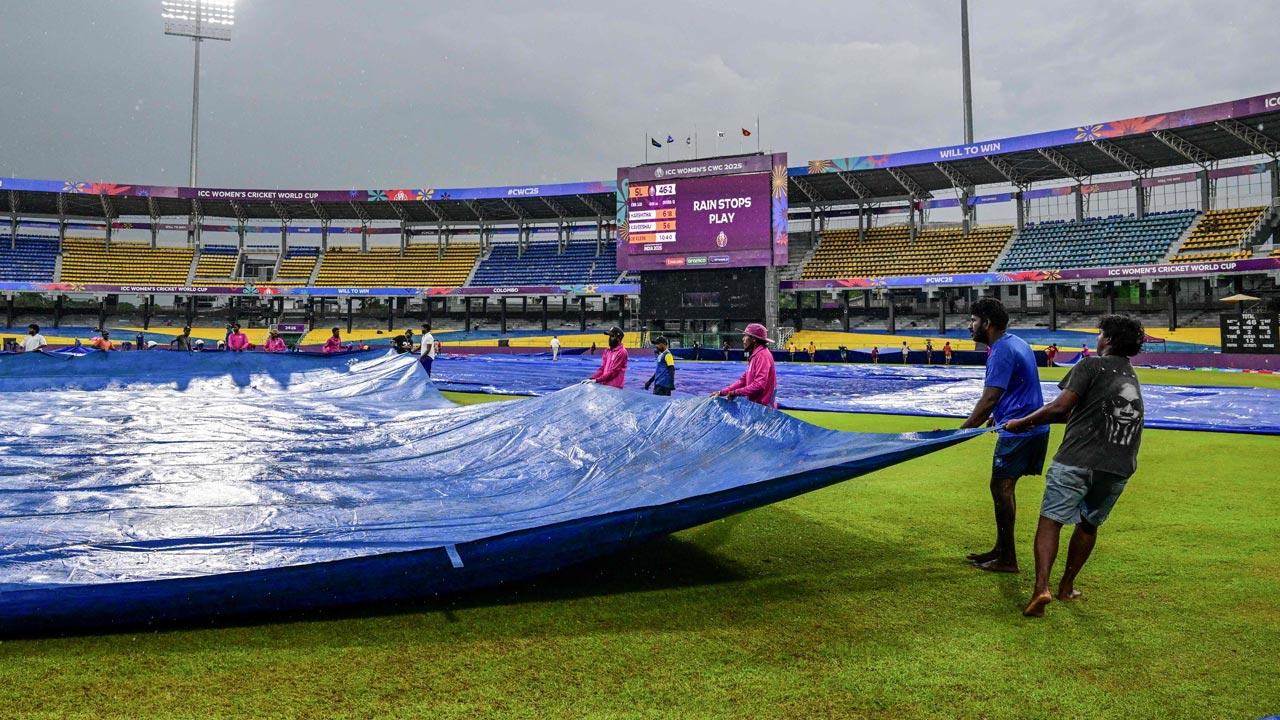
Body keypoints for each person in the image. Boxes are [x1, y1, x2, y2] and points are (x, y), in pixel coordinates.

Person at [1005, 316, 1147, 617]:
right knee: (1089, 523)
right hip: (1119, 464)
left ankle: (1041, 587)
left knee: (1051, 520)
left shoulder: (1090, 366)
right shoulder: (1130, 376)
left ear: (1107, 340)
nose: (1097, 339)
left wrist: (1021, 423)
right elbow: (1079, 415)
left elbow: (1060, 407)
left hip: (1077, 459)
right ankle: (1067, 586)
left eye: (1099, 334)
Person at [960, 297, 1050, 573]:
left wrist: (963, 430)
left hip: (1019, 431)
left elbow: (990, 398)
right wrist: (994, 416)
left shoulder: (1000, 351)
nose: (970, 327)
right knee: (1002, 487)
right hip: (1032, 426)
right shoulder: (1016, 342)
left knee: (1001, 488)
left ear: (987, 323)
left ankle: (1008, 558)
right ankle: (1001, 550)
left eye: (973, 321)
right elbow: (1014, 390)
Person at [710, 323, 777, 407]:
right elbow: (743, 381)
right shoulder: (756, 355)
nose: (743, 339)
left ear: (753, 339)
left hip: (763, 410)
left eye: (745, 336)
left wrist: (735, 393)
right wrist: (721, 392)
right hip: (756, 407)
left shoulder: (762, 356)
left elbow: (759, 385)